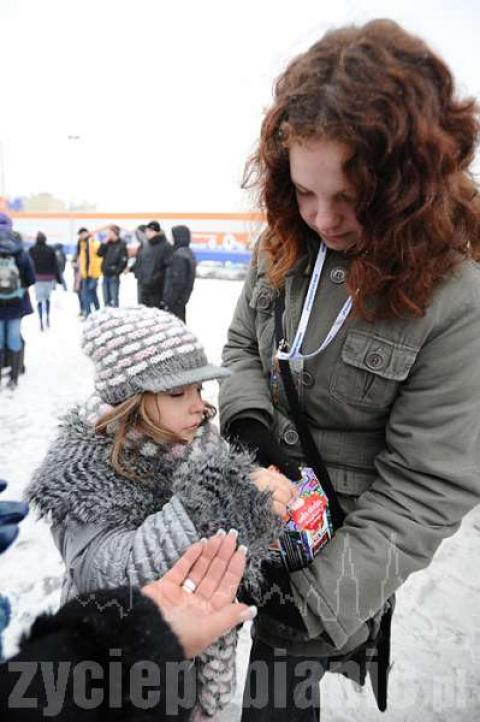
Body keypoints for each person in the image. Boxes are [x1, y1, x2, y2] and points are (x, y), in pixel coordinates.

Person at [219, 19, 480, 721]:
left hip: (342, 551)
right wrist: (249, 433)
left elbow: (429, 483)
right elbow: (244, 340)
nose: (323, 219)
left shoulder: (457, 293)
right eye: (305, 192)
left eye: (349, 199)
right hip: (256, 508)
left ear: (408, 186)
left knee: (274, 700)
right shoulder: (286, 235)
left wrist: (314, 604)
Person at [26, 305, 296, 719]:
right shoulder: (84, 467)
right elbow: (106, 572)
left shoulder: (200, 442)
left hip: (195, 655)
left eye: (200, 390)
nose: (200, 408)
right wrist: (215, 500)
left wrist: (260, 511)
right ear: (130, 401)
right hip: (119, 667)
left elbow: (227, 537)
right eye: (177, 393)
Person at [0, 485, 257, 721]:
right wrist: (206, 496)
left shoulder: (211, 447)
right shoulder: (81, 473)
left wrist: (131, 642)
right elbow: (104, 568)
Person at [0, 215, 35, 389]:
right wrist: (20, 290)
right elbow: (30, 276)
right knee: (14, 337)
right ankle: (14, 377)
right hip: (16, 302)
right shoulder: (19, 247)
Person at [133, 220, 173, 308]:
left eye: (150, 231)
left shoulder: (165, 246)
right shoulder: (144, 246)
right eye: (147, 231)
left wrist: (155, 279)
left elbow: (168, 267)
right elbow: (139, 262)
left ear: (156, 232)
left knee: (154, 313)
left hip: (156, 288)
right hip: (142, 285)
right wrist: (138, 274)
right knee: (143, 311)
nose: (147, 233)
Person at [28, 231, 62, 331]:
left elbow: (29, 265)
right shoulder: (50, 250)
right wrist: (59, 279)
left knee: (39, 300)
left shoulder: (31, 250)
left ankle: (40, 321)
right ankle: (47, 318)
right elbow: (56, 265)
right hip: (49, 278)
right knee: (47, 299)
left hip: (37, 278)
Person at [163, 225, 197, 322]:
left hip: (175, 300)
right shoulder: (188, 252)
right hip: (182, 299)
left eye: (173, 236)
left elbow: (177, 281)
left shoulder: (179, 255)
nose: (171, 239)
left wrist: (168, 300)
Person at [97, 225, 128, 307]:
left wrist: (116, 272)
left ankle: (115, 316)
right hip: (105, 274)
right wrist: (103, 243)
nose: (108, 234)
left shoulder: (122, 244)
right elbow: (99, 254)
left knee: (114, 299)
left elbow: (123, 261)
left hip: (114, 276)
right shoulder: (107, 243)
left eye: (110, 232)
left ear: (115, 233)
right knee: (106, 299)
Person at [77, 227, 102, 317]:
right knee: (85, 294)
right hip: (85, 274)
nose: (81, 236)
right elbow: (82, 259)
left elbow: (99, 258)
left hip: (94, 274)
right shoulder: (82, 245)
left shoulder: (94, 243)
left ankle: (97, 312)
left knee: (92, 293)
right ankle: (88, 314)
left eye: (82, 234)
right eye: (80, 235)